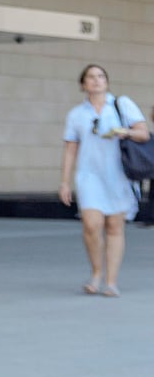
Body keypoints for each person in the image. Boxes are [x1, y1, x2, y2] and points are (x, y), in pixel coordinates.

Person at [59, 63, 149, 297]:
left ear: (106, 82)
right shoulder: (76, 115)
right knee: (91, 224)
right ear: (83, 84)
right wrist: (64, 182)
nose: (97, 80)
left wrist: (125, 132)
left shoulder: (122, 104)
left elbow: (144, 133)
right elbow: (70, 149)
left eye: (101, 76)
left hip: (118, 174)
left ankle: (111, 281)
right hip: (89, 175)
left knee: (114, 226)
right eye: (91, 77)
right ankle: (96, 273)